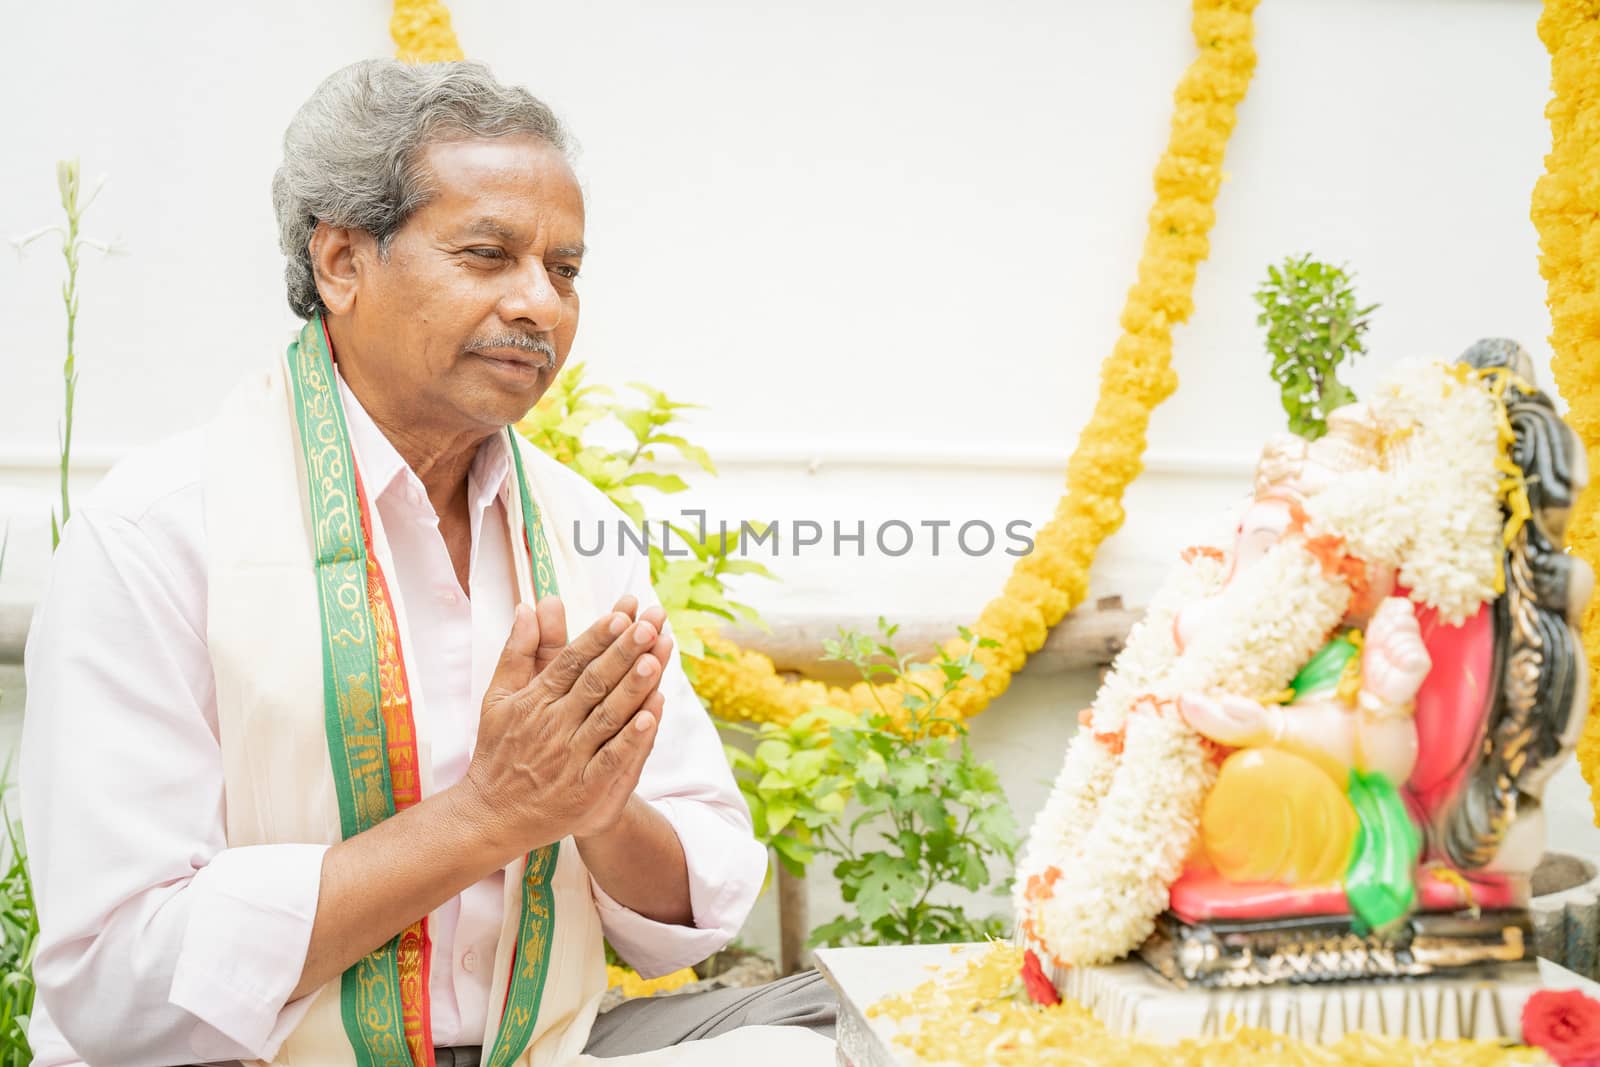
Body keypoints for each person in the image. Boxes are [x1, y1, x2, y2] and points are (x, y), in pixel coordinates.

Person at [21, 58, 834, 1066]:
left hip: (537, 1044)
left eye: (565, 267)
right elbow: (117, 981)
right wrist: (488, 815)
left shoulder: (578, 531)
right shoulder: (158, 532)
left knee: (844, 1031)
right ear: (341, 263)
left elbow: (695, 904)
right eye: (487, 254)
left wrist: (597, 805)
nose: (540, 303)